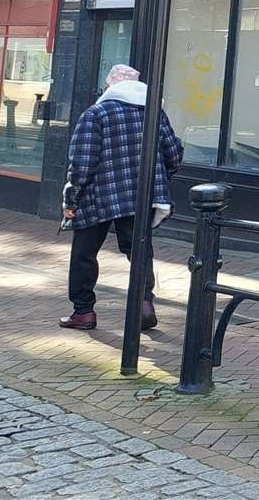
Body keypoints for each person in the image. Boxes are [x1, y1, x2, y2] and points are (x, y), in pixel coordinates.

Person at [59, 64, 183, 332]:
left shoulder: (96, 114)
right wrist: (156, 178)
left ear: (109, 87)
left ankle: (83, 312)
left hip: (98, 195)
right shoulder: (154, 114)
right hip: (140, 196)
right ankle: (144, 304)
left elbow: (82, 163)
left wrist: (71, 200)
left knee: (84, 253)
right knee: (139, 251)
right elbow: (174, 153)